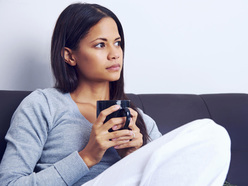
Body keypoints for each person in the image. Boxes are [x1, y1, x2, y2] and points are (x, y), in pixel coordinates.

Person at [0, 3, 231, 186]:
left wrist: (136, 156)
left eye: (118, 43)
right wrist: (87, 156)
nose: (115, 54)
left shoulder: (139, 119)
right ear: (70, 56)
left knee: (212, 133)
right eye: (100, 45)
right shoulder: (43, 105)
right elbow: (9, 183)